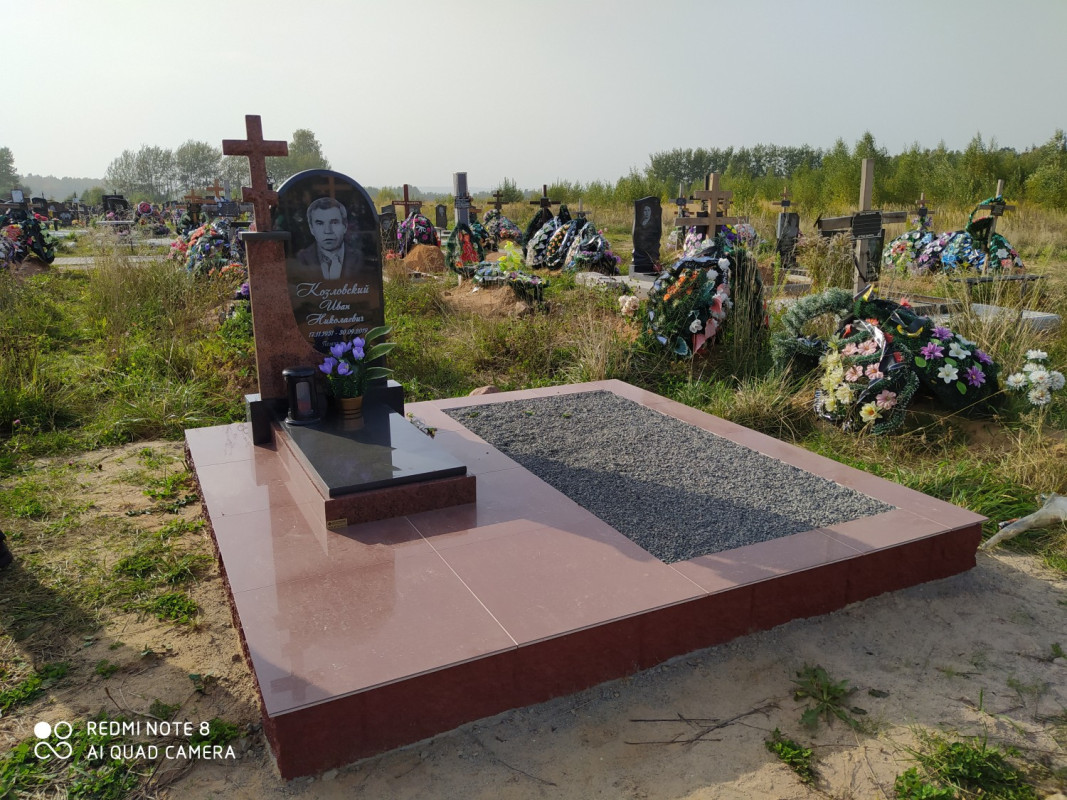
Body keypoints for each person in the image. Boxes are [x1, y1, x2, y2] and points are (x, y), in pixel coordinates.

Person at [296, 197, 364, 280]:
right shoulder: (303, 257)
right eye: (320, 223)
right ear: (311, 228)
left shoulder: (358, 257)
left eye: (334, 222)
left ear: (345, 226)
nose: (328, 231)